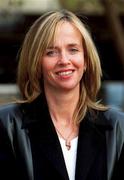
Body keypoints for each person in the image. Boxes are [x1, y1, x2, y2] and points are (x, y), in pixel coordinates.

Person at [0, 9, 124, 180]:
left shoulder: (118, 128)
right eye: (51, 52)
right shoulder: (7, 125)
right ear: (36, 62)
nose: (64, 60)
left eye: (73, 50)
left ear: (86, 60)